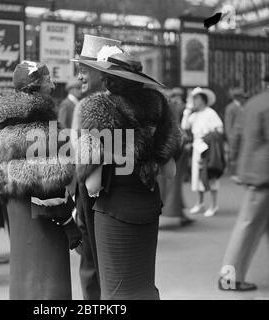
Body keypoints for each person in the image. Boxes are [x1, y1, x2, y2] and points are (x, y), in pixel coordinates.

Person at [71, 48, 182, 299]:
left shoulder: (95, 107)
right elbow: (170, 170)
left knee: (116, 288)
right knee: (143, 284)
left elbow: (92, 184)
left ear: (108, 78)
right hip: (149, 205)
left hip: (114, 210)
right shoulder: (158, 104)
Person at [0, 60, 81, 300]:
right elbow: (53, 178)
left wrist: (9, 177)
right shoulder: (46, 124)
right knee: (48, 275)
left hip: (15, 206)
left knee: (24, 268)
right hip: (46, 211)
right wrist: (68, 222)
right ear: (38, 85)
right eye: (48, 80)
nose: (54, 85)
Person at [218, 60, 269, 292]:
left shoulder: (254, 102)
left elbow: (237, 136)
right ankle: (229, 278)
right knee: (248, 228)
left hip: (257, 174)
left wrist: (235, 165)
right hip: (266, 177)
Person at [70, 34, 122, 300]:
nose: (79, 76)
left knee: (95, 260)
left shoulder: (91, 106)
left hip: (98, 194)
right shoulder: (120, 103)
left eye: (83, 70)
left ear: (103, 74)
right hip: (100, 193)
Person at [181, 87, 224, 218]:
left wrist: (208, 138)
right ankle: (200, 202)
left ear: (203, 100)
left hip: (208, 148)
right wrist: (187, 110)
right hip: (197, 148)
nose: (195, 101)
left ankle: (213, 204)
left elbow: (220, 129)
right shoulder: (194, 115)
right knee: (197, 176)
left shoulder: (211, 113)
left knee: (210, 175)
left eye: (197, 98)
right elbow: (185, 126)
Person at [160, 87, 193, 227]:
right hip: (168, 149)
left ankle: (178, 212)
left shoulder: (166, 106)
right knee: (169, 184)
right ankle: (173, 212)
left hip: (167, 149)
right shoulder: (169, 107)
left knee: (171, 184)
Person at [224, 88, 248, 181]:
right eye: (242, 96)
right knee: (233, 154)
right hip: (234, 135)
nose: (243, 98)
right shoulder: (231, 107)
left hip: (241, 134)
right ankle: (233, 172)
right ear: (237, 97)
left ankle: (239, 172)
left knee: (240, 153)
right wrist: (230, 136)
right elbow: (228, 123)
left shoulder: (242, 106)